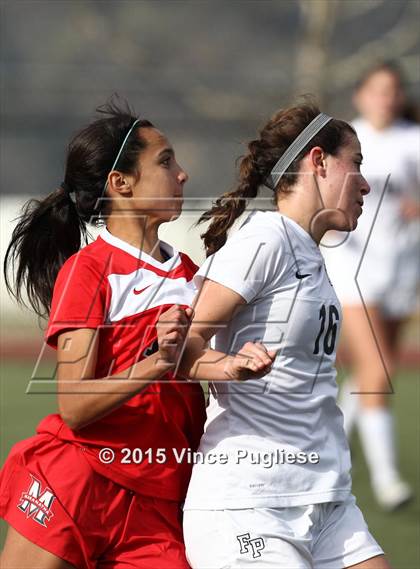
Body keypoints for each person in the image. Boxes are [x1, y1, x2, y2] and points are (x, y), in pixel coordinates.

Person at [0, 100, 272, 569]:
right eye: (165, 161)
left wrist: (232, 366)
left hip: (160, 502)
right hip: (81, 480)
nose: (182, 173)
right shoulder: (88, 271)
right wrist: (155, 363)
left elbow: (188, 361)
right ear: (120, 184)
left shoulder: (190, 275)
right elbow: (75, 405)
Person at [179, 103, 391, 568]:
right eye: (354, 163)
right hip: (249, 504)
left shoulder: (311, 254)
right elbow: (175, 351)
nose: (364, 182)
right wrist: (228, 366)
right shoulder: (265, 240)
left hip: (327, 499)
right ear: (318, 161)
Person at [322, 62, 419, 510]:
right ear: (361, 95)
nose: (385, 98)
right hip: (352, 268)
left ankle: (330, 446)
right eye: (377, 90)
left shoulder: (412, 141)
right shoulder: (344, 140)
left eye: (392, 91)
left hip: (403, 271)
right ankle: (386, 482)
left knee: (373, 373)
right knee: (377, 369)